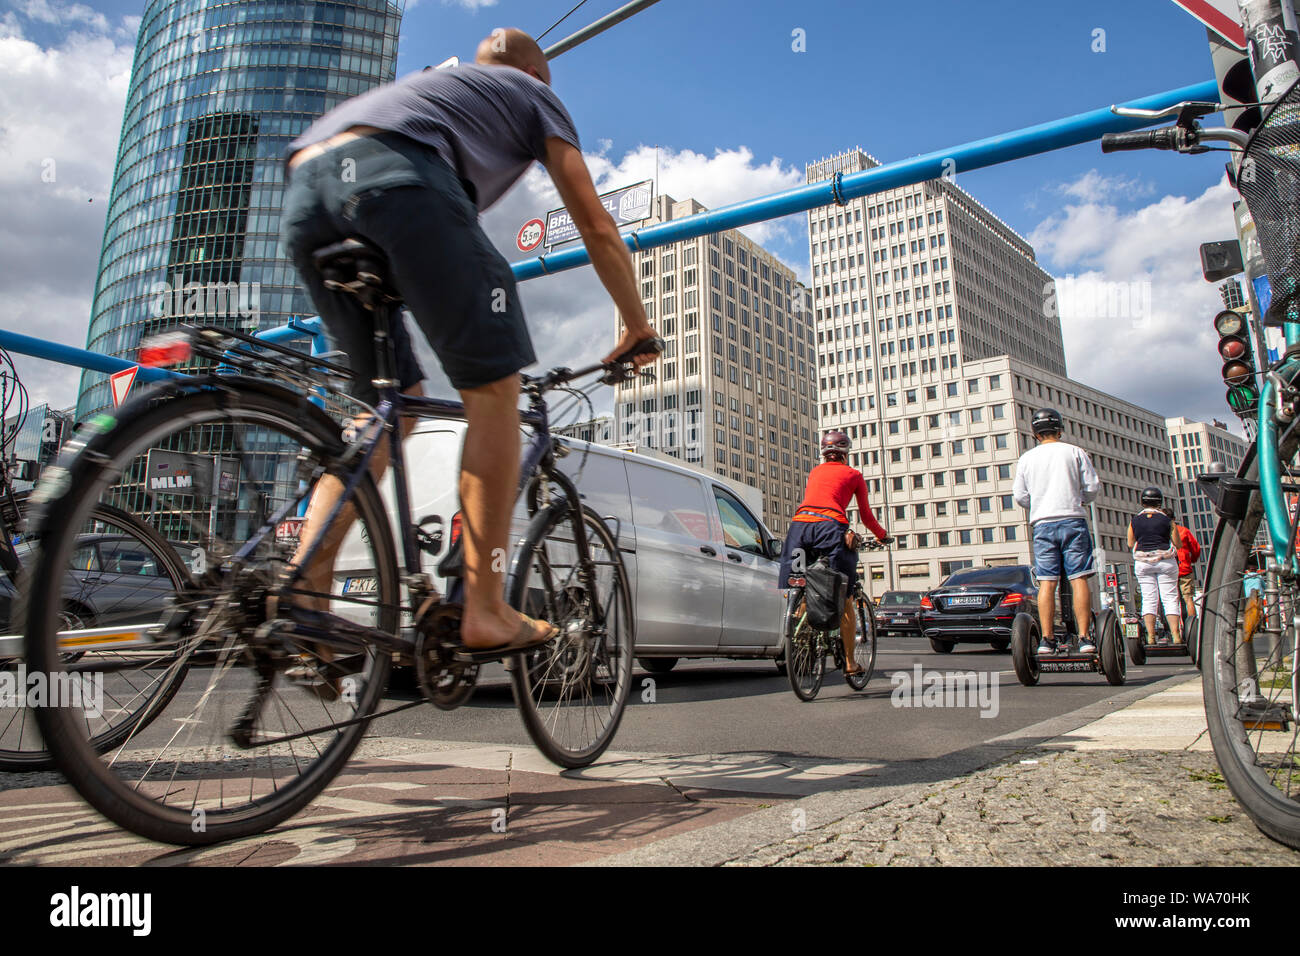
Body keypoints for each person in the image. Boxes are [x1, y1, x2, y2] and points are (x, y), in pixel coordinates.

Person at [279, 28, 658, 657]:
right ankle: (484, 606)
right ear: (540, 75)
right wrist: (636, 326)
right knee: (493, 393)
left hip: (304, 189)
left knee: (388, 409)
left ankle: (305, 588)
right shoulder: (533, 94)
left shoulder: (429, 88)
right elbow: (593, 220)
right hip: (398, 182)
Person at [778, 430, 891, 675]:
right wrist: (883, 535)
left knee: (803, 584)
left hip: (799, 528)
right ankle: (850, 663)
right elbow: (866, 516)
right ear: (845, 452)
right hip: (829, 527)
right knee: (844, 594)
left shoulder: (816, 472)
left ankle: (801, 634)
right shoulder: (854, 475)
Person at [1012, 407, 1101, 655]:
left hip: (1043, 522)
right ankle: (1084, 638)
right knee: (1079, 577)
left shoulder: (1027, 459)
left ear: (1034, 433)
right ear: (1060, 429)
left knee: (1047, 582)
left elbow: (1020, 496)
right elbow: (1092, 487)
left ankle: (1047, 640)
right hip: (1072, 518)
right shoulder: (1075, 452)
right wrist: (1079, 499)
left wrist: (1039, 502)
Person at [1128, 488, 1182, 646]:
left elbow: (1130, 543)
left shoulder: (1135, 520)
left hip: (1143, 562)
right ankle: (1176, 635)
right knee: (1170, 598)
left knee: (1149, 598)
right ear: (1160, 502)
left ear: (1142, 501)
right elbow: (1178, 543)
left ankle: (1151, 636)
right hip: (1165, 561)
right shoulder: (1167, 520)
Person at [1165, 507, 1201, 622]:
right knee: (1188, 599)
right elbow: (1196, 548)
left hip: (1169, 570)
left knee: (1172, 601)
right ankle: (1192, 626)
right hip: (1184, 568)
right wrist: (1193, 560)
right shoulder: (1184, 531)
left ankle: (1176, 629)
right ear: (1174, 518)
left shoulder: (1162, 534)